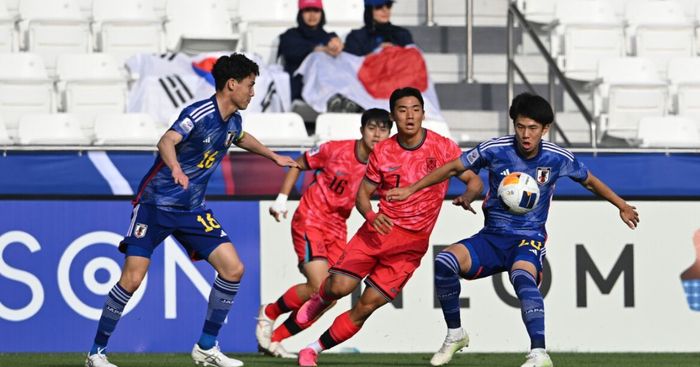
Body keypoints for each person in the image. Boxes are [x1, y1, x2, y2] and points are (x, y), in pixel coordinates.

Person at [385, 92, 640, 367]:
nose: (525, 135)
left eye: (532, 128)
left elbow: (589, 181)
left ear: (545, 129)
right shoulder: (495, 149)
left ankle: (539, 353)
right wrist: (411, 188)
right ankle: (455, 334)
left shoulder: (556, 157)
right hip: (492, 237)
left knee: (522, 277)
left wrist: (621, 205)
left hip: (528, 238)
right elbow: (453, 168)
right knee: (444, 261)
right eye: (520, 127)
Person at [85, 53, 299, 367]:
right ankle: (96, 353)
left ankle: (206, 347)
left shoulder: (234, 120)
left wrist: (273, 156)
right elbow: (166, 140)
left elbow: (240, 137)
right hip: (155, 205)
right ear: (232, 84)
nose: (253, 92)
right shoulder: (198, 113)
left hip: (191, 209)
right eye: (250, 85)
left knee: (233, 269)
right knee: (131, 279)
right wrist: (175, 168)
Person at [293, 87, 483, 367]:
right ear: (394, 116)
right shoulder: (383, 151)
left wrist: (468, 195)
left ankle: (312, 349)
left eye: (415, 109)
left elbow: (474, 180)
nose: (410, 116)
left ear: (423, 113)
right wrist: (370, 216)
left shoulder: (442, 147)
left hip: (410, 247)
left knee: (366, 306)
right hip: (377, 234)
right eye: (403, 110)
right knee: (339, 286)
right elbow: (362, 196)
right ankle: (322, 296)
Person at [255, 108, 393, 358]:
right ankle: (270, 313)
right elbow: (299, 163)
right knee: (319, 284)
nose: (377, 134)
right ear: (362, 130)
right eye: (372, 128)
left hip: (339, 227)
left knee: (331, 293)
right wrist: (282, 198)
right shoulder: (334, 150)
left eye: (383, 129)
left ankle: (275, 339)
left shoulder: (382, 167)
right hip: (311, 218)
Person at [278, 0, 344, 102]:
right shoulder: (290, 35)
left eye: (316, 10)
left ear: (322, 13)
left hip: (328, 87)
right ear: (300, 13)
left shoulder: (329, 37)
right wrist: (319, 49)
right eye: (307, 10)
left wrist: (337, 46)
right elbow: (291, 52)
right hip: (298, 89)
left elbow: (336, 47)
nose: (312, 15)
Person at [344, 0, 414, 56]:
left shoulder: (402, 34)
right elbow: (350, 66)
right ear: (369, 10)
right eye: (379, 6)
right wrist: (375, 54)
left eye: (388, 5)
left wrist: (396, 52)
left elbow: (414, 63)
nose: (385, 10)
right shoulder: (356, 37)